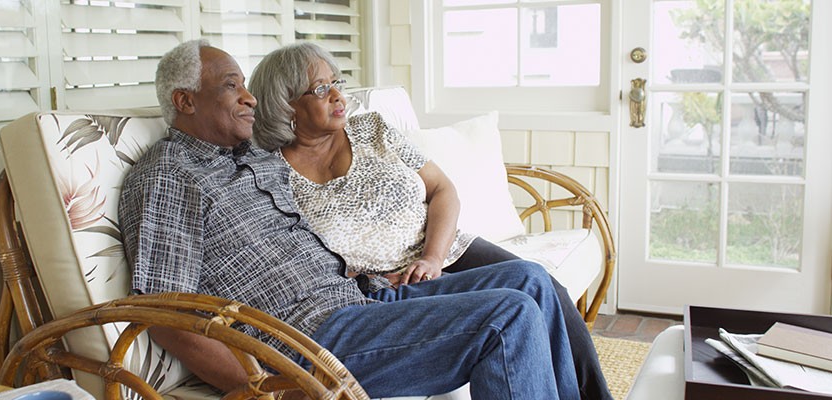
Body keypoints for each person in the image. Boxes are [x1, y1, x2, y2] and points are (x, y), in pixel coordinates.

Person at [119, 39, 579, 399]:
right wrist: (262, 387)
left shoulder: (249, 159)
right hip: (307, 340)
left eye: (246, 86)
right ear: (185, 101)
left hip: (362, 301)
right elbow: (165, 316)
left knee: (530, 282)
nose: (249, 99)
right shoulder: (168, 176)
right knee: (507, 315)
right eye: (231, 86)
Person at [248, 42, 614, 400]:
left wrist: (433, 257)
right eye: (321, 88)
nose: (338, 96)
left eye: (337, 83)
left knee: (541, 284)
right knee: (511, 312)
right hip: (385, 282)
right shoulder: (270, 177)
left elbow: (442, 189)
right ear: (286, 104)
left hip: (444, 248)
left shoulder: (371, 129)